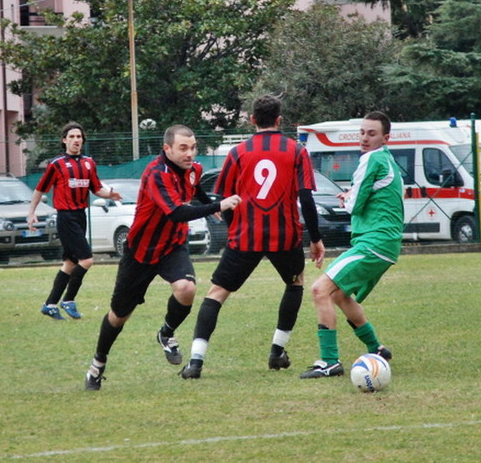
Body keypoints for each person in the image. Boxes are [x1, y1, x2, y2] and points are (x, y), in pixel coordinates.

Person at [84, 124, 241, 391]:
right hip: (141, 252)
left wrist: (209, 201)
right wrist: (218, 206)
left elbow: (194, 190)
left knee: (186, 288)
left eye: (192, 147)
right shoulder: (156, 174)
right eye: (183, 148)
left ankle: (166, 333)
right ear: (166, 149)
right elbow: (177, 213)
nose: (189, 153)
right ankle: (98, 363)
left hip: (172, 246)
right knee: (118, 316)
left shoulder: (195, 170)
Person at [180, 94, 326, 380]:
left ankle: (196, 361)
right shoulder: (296, 150)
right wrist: (316, 238)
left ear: (252, 120)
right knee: (294, 283)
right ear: (279, 120)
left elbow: (224, 198)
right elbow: (306, 198)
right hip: (285, 235)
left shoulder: (238, 152)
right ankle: (276, 351)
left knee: (217, 294)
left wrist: (234, 227)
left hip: (245, 236)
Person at [299, 110, 402, 379]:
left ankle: (330, 362)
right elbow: (372, 196)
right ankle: (376, 348)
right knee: (339, 295)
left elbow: (355, 204)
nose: (365, 138)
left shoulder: (371, 159)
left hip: (374, 243)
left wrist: (347, 199)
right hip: (384, 245)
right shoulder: (387, 160)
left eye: (372, 133)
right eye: (362, 132)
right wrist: (352, 195)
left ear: (385, 138)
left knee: (320, 290)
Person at [27, 121, 122, 321]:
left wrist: (110, 194)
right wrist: (31, 212)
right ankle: (68, 299)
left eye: (79, 137)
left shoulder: (89, 163)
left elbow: (96, 189)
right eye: (72, 137)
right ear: (64, 141)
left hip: (80, 216)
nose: (76, 140)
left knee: (70, 263)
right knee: (86, 260)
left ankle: (50, 304)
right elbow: (40, 189)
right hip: (66, 217)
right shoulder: (57, 164)